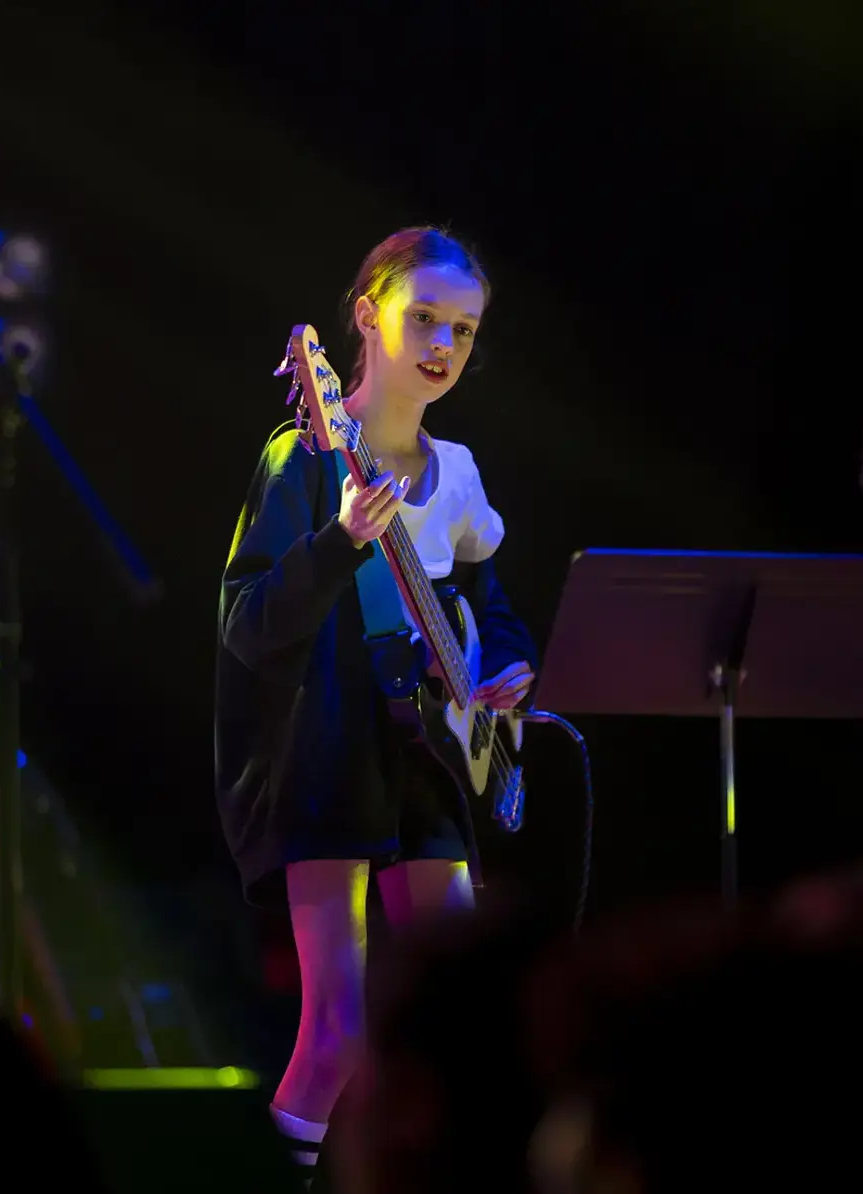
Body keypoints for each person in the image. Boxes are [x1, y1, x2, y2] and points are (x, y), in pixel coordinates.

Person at [215, 226, 539, 1183]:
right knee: (339, 1035)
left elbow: (491, 606)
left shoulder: (460, 473)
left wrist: (507, 669)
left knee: (467, 1020)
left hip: (429, 761)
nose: (443, 344)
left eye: (463, 330)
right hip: (331, 758)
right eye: (424, 318)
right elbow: (248, 624)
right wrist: (340, 541)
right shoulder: (308, 458)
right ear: (366, 317)